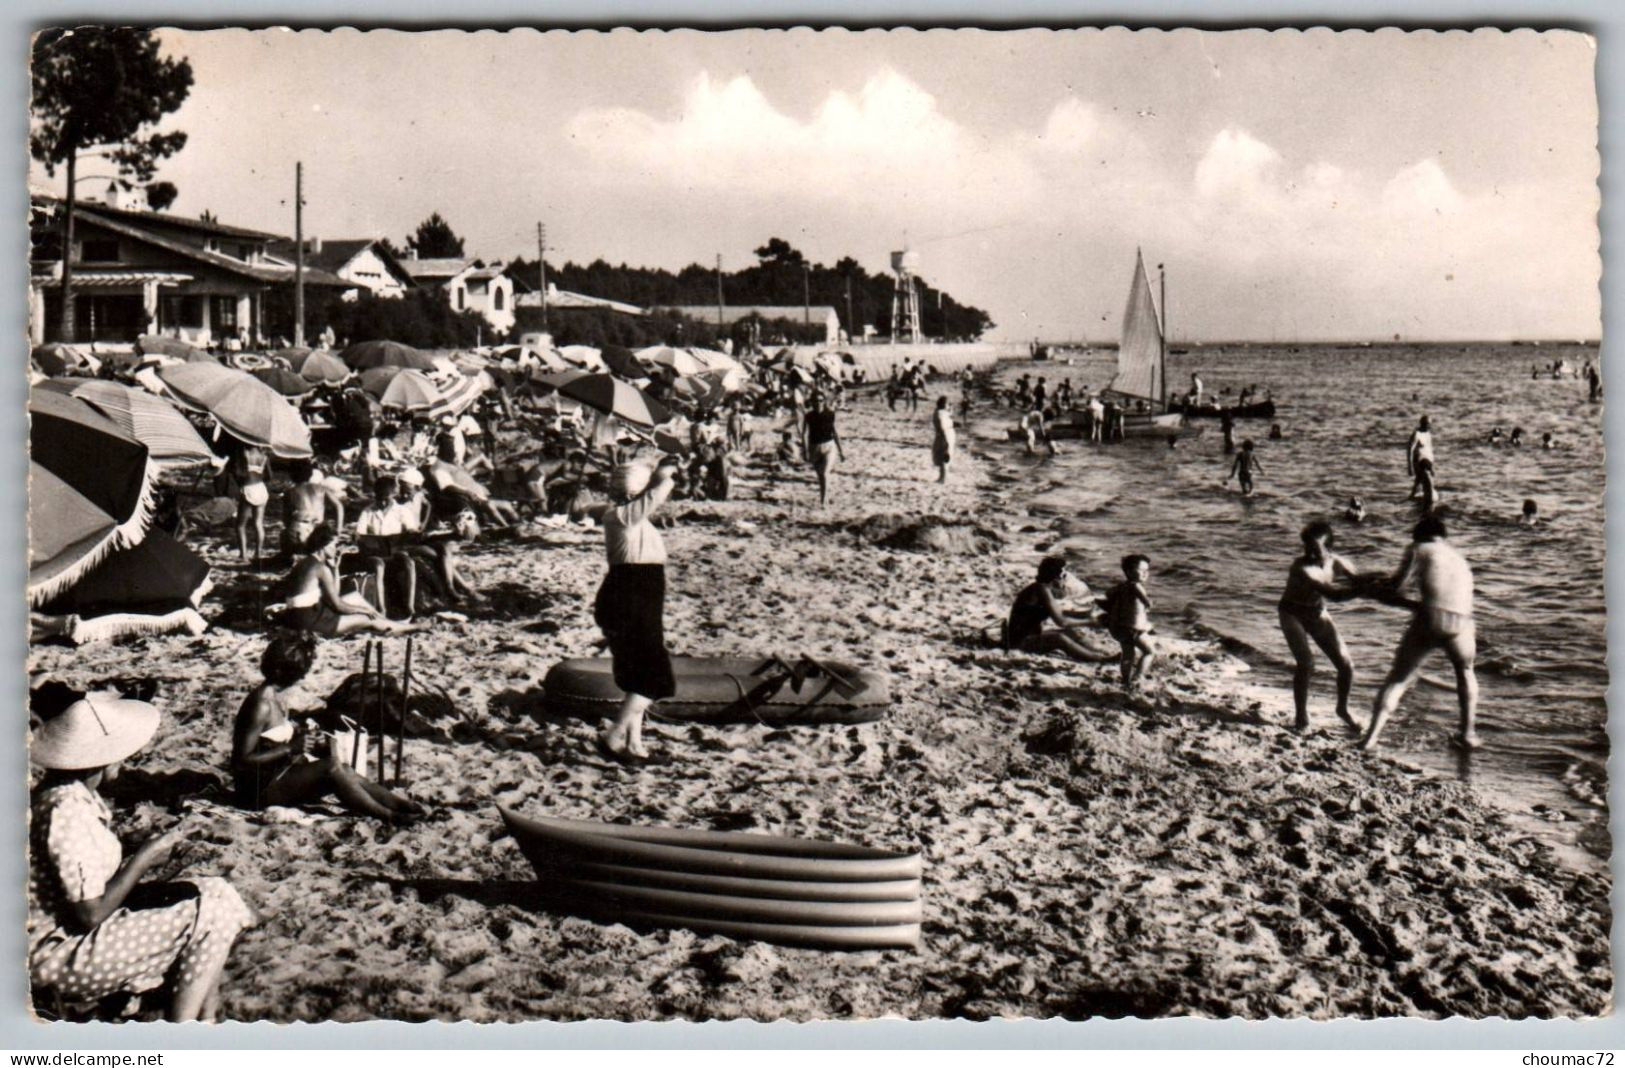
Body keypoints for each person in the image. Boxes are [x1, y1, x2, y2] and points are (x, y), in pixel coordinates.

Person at [29, 691, 254, 1021]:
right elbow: (90, 914)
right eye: (118, 754)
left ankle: (205, 1021)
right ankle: (184, 1033)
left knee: (218, 893)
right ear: (97, 759)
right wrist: (146, 855)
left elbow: (80, 872)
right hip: (57, 956)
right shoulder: (67, 810)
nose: (124, 760)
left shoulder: (66, 794)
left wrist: (138, 849)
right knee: (215, 913)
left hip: (62, 936)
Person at [232, 632, 424, 822]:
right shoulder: (261, 705)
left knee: (344, 768)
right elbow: (241, 759)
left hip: (276, 775)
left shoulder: (275, 697)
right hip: (257, 791)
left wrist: (300, 737)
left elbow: (269, 741)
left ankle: (401, 805)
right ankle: (389, 816)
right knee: (331, 766)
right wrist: (290, 748)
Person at [1359, 515, 1480, 751]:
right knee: (1466, 672)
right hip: (1463, 622)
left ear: (1418, 534)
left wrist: (1371, 587)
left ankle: (1370, 739)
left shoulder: (1418, 548)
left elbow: (1397, 586)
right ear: (1443, 536)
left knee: (1398, 678)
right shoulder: (1458, 557)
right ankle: (1468, 733)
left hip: (1430, 618)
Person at [589, 459, 681, 763]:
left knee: (640, 674)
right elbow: (654, 496)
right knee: (654, 678)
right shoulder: (620, 517)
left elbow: (650, 499)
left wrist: (659, 476)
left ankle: (634, 745)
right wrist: (664, 476)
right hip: (631, 597)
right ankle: (614, 734)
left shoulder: (631, 519)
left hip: (635, 597)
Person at [1278, 521, 1360, 732]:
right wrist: (1361, 590)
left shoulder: (1339, 563)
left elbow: (1361, 581)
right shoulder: (1301, 567)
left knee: (1346, 666)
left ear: (1329, 549)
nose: (1310, 554)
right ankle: (1301, 719)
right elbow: (1333, 594)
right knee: (1306, 663)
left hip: (1316, 613)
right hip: (1291, 612)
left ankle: (1342, 709)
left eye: (1315, 550)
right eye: (1307, 549)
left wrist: (1382, 585)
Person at [275, 524, 423, 637]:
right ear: (324, 545)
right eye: (333, 545)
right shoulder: (320, 568)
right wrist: (363, 610)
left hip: (297, 616)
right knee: (367, 618)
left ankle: (388, 622)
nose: (336, 549)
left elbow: (336, 594)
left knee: (355, 597)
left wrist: (336, 568)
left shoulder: (306, 562)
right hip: (310, 621)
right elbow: (338, 605)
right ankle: (413, 628)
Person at [1006, 556, 1102, 660]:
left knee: (1069, 632)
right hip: (1020, 643)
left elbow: (1059, 614)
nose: (1065, 579)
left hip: (1024, 637)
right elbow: (1062, 622)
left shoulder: (1039, 588)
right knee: (1058, 638)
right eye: (1064, 575)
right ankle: (1097, 658)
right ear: (1056, 577)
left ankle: (1099, 653)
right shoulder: (1042, 590)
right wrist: (1090, 622)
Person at [426, 437, 521, 529]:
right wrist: (467, 492)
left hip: (479, 495)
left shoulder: (451, 463)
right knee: (490, 505)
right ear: (441, 451)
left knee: (507, 504)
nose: (453, 452)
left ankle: (520, 524)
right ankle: (507, 528)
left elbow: (465, 472)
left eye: (452, 448)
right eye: (450, 449)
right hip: (468, 498)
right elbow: (447, 486)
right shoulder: (438, 468)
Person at [1102, 554, 1155, 689]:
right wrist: (1148, 605)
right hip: (1133, 629)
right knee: (1149, 652)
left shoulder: (1122, 586)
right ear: (1129, 571)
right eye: (1141, 570)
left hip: (1121, 628)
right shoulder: (1136, 586)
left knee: (1128, 655)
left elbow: (1108, 593)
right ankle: (1138, 678)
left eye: (1147, 570)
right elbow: (1147, 602)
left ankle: (1125, 681)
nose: (1145, 573)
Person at [282, 460, 346, 557]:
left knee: (284, 534)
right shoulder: (321, 488)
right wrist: (338, 529)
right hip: (319, 532)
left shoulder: (290, 492)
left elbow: (286, 520)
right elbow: (339, 506)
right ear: (311, 473)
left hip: (299, 533)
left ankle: (290, 558)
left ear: (291, 474)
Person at [803, 392, 846, 506]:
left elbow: (835, 432)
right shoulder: (809, 416)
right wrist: (805, 450)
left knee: (825, 473)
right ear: (812, 402)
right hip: (814, 448)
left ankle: (823, 501)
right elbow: (804, 434)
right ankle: (824, 496)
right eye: (816, 401)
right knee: (820, 476)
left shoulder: (830, 414)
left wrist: (841, 451)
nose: (818, 403)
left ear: (824, 401)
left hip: (829, 446)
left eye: (821, 400)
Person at [232, 442, 270, 566]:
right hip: (261, 488)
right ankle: (258, 553)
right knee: (258, 523)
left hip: (249, 488)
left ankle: (243, 555)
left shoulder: (245, 453)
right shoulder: (264, 455)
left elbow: (238, 473)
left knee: (240, 525)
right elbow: (269, 475)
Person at [1406, 415, 1434, 500]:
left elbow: (1429, 449)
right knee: (1426, 480)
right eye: (1427, 424)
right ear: (1422, 424)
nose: (1429, 426)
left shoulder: (1428, 434)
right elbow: (1410, 450)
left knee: (1418, 482)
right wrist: (1410, 466)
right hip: (1420, 461)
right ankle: (1428, 495)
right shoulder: (1416, 434)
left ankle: (1413, 497)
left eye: (1430, 424)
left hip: (1428, 461)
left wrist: (1433, 465)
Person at [931, 395, 956, 484]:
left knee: (944, 456)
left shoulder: (940, 412)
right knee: (944, 456)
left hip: (945, 434)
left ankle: (942, 478)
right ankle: (942, 478)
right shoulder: (941, 413)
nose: (948, 406)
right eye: (947, 404)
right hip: (945, 434)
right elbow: (941, 426)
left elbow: (949, 413)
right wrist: (945, 438)